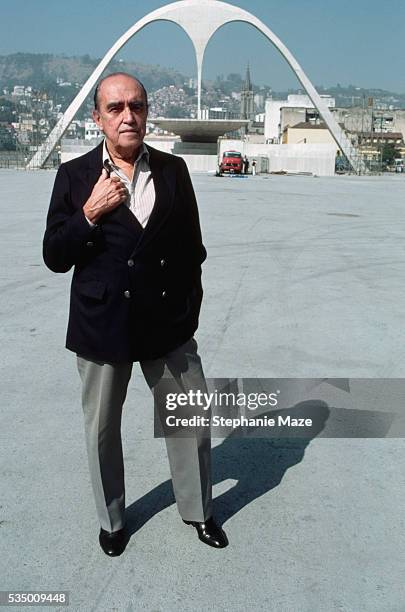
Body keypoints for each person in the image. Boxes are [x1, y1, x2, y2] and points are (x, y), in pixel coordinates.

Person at [43, 72, 228, 556]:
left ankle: (199, 511)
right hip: (102, 324)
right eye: (116, 107)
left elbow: (193, 249)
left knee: (191, 419)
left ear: (147, 112)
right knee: (102, 428)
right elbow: (55, 255)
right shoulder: (75, 176)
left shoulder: (173, 171)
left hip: (167, 325)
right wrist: (87, 214)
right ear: (98, 117)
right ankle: (113, 520)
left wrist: (189, 313)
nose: (128, 116)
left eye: (137, 106)